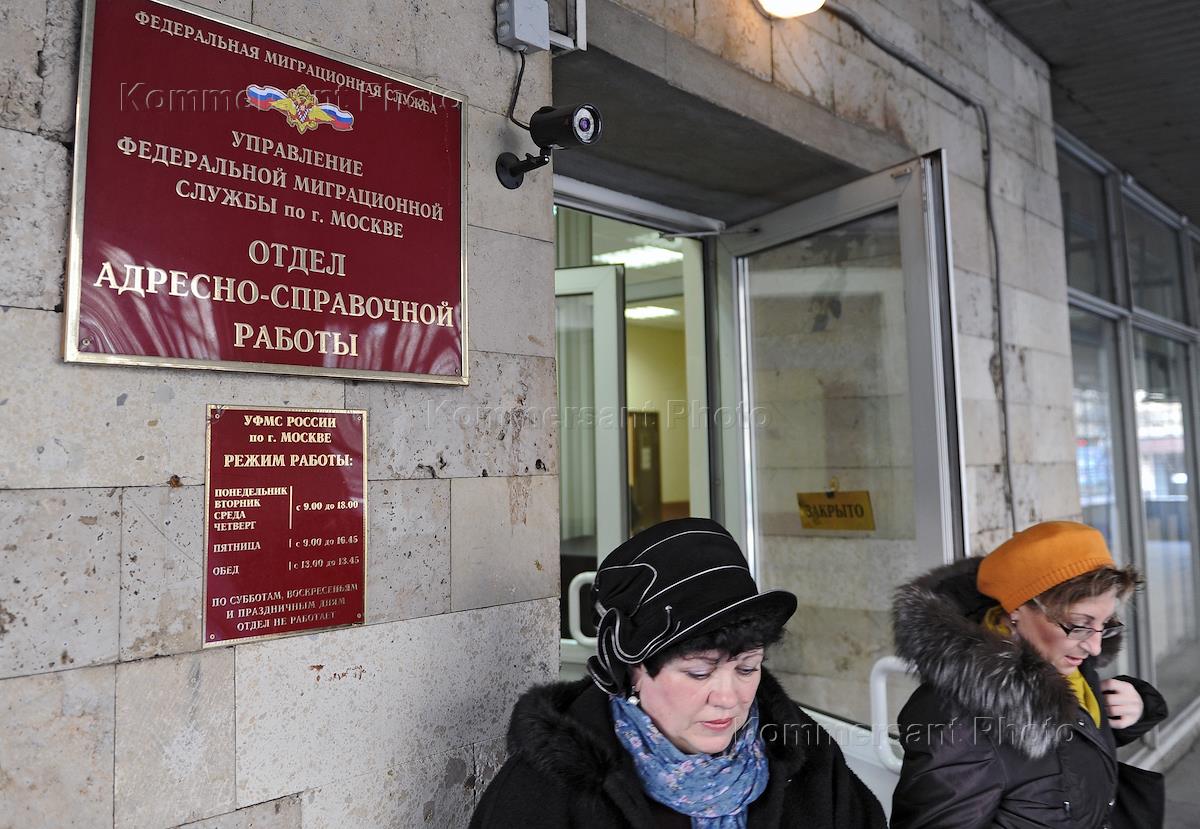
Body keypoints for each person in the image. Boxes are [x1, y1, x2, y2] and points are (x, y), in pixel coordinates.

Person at [470, 517, 887, 828]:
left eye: (747, 668)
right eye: (699, 673)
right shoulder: (545, 790)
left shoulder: (807, 757)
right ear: (631, 670)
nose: (729, 698)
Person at [890, 520, 1169, 828]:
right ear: (1017, 610)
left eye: (1106, 624)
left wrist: (1138, 705)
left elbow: (1073, 745)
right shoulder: (959, 724)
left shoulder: (1060, 655)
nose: (1095, 646)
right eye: (1080, 624)